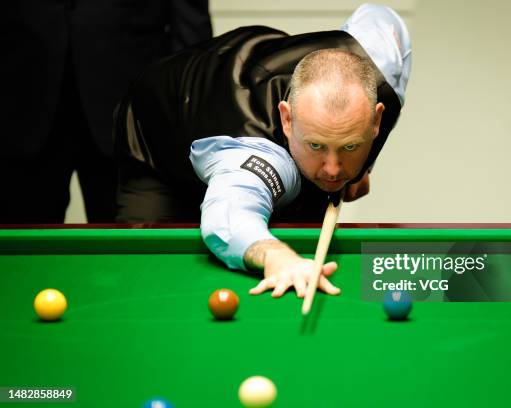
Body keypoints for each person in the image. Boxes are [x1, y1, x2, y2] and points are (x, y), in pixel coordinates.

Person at [114, 4, 412, 297]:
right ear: (286, 118)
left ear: (375, 120)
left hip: (251, 65)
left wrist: (363, 165)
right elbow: (229, 216)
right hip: (158, 132)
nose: (334, 169)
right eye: (316, 145)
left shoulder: (381, 62)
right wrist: (276, 257)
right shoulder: (259, 153)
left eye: (349, 145)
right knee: (145, 278)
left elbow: (381, 16)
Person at [0, 0, 212, 223]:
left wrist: (183, 110)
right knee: (19, 245)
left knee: (130, 248)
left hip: (132, 112)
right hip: (18, 103)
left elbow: (191, 29)